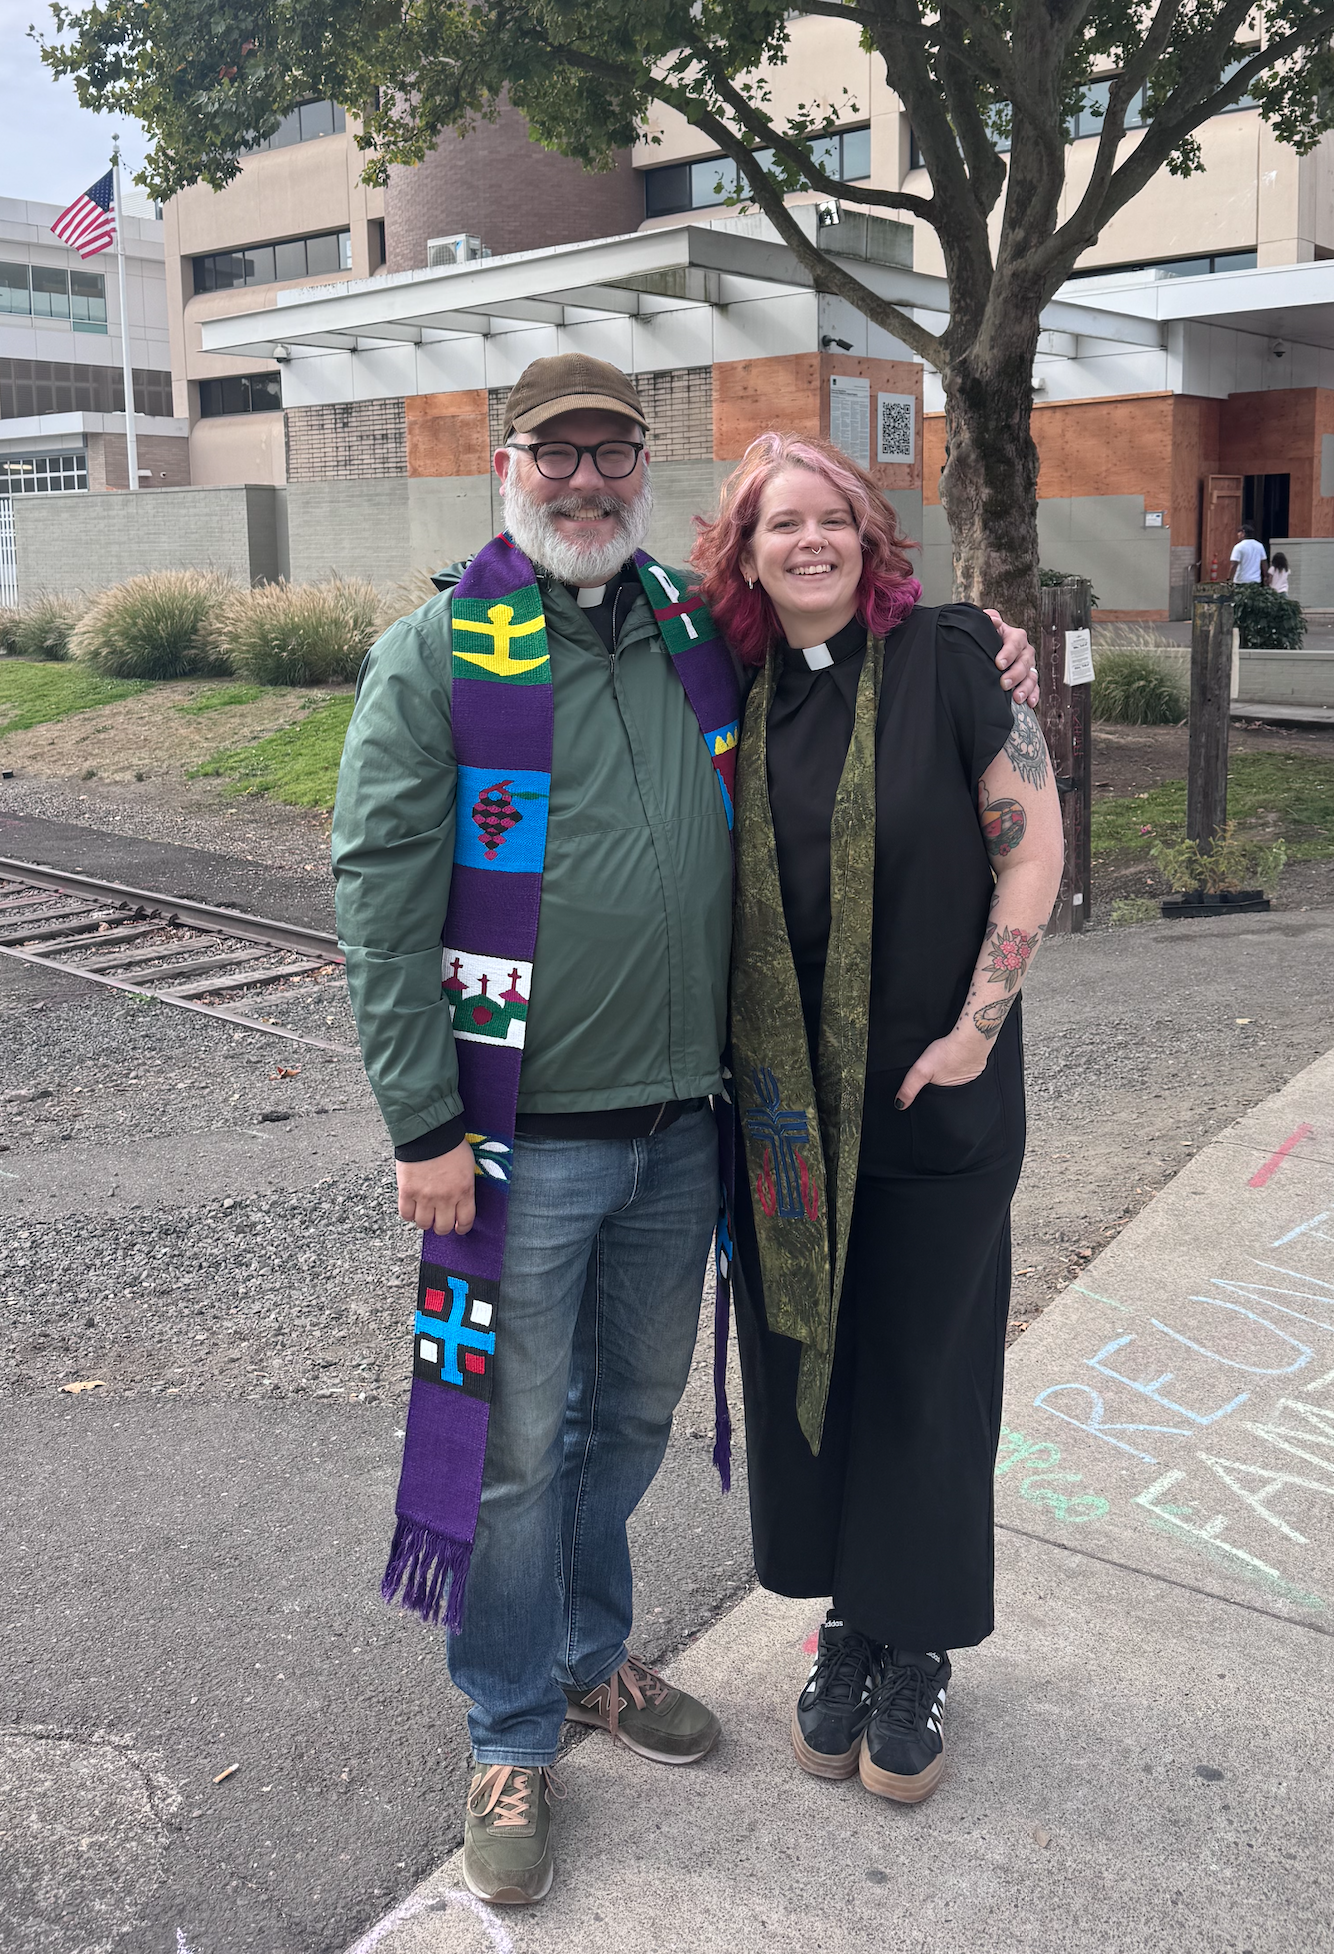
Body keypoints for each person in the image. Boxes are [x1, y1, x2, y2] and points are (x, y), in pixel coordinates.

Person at [331, 356, 1041, 1906]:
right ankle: (512, 1724)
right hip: (519, 1140)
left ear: (642, 470)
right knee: (516, 1449)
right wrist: (423, 1120)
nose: (584, 483)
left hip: (679, 1134)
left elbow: (859, 638)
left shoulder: (685, 634)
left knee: (630, 1420)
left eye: (613, 456)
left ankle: (595, 1659)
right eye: (555, 457)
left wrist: (988, 642)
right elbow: (378, 905)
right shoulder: (442, 656)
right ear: (507, 468)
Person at [689, 433, 1066, 1807]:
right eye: (780, 522)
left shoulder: (958, 658)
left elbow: (1032, 843)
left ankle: (919, 1651)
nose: (810, 541)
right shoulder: (726, 685)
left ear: (871, 534)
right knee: (815, 1369)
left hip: (938, 1101)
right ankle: (850, 1617)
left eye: (833, 517)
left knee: (924, 1369)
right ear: (744, 549)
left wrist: (975, 1029)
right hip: (785, 1120)